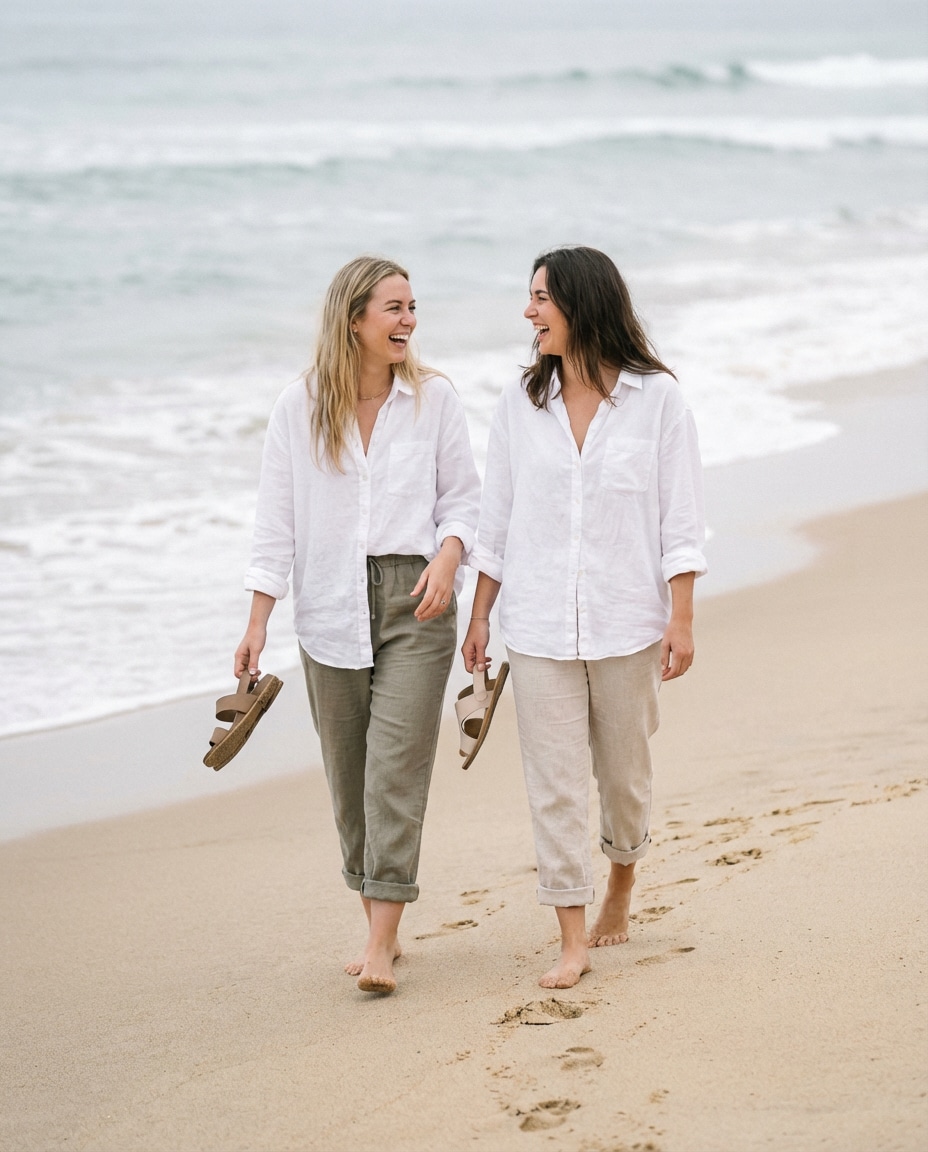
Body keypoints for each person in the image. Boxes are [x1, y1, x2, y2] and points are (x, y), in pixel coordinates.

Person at [462, 246, 706, 989]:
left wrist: (683, 618)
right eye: (529, 298)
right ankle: (569, 935)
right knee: (556, 785)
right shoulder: (518, 404)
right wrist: (480, 617)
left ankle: (622, 879)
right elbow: (494, 520)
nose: (529, 313)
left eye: (541, 298)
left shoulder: (658, 400)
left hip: (628, 623)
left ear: (582, 303)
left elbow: (682, 519)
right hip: (536, 627)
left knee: (625, 779)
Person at [236, 256, 480, 995]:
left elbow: (466, 500)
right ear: (354, 320)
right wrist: (257, 620)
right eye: (393, 308)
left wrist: (448, 556)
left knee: (395, 769)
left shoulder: (434, 399)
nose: (408, 321)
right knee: (350, 776)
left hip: (419, 599)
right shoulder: (299, 406)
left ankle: (381, 940)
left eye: (413, 308)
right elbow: (275, 523)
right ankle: (376, 908)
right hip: (329, 604)